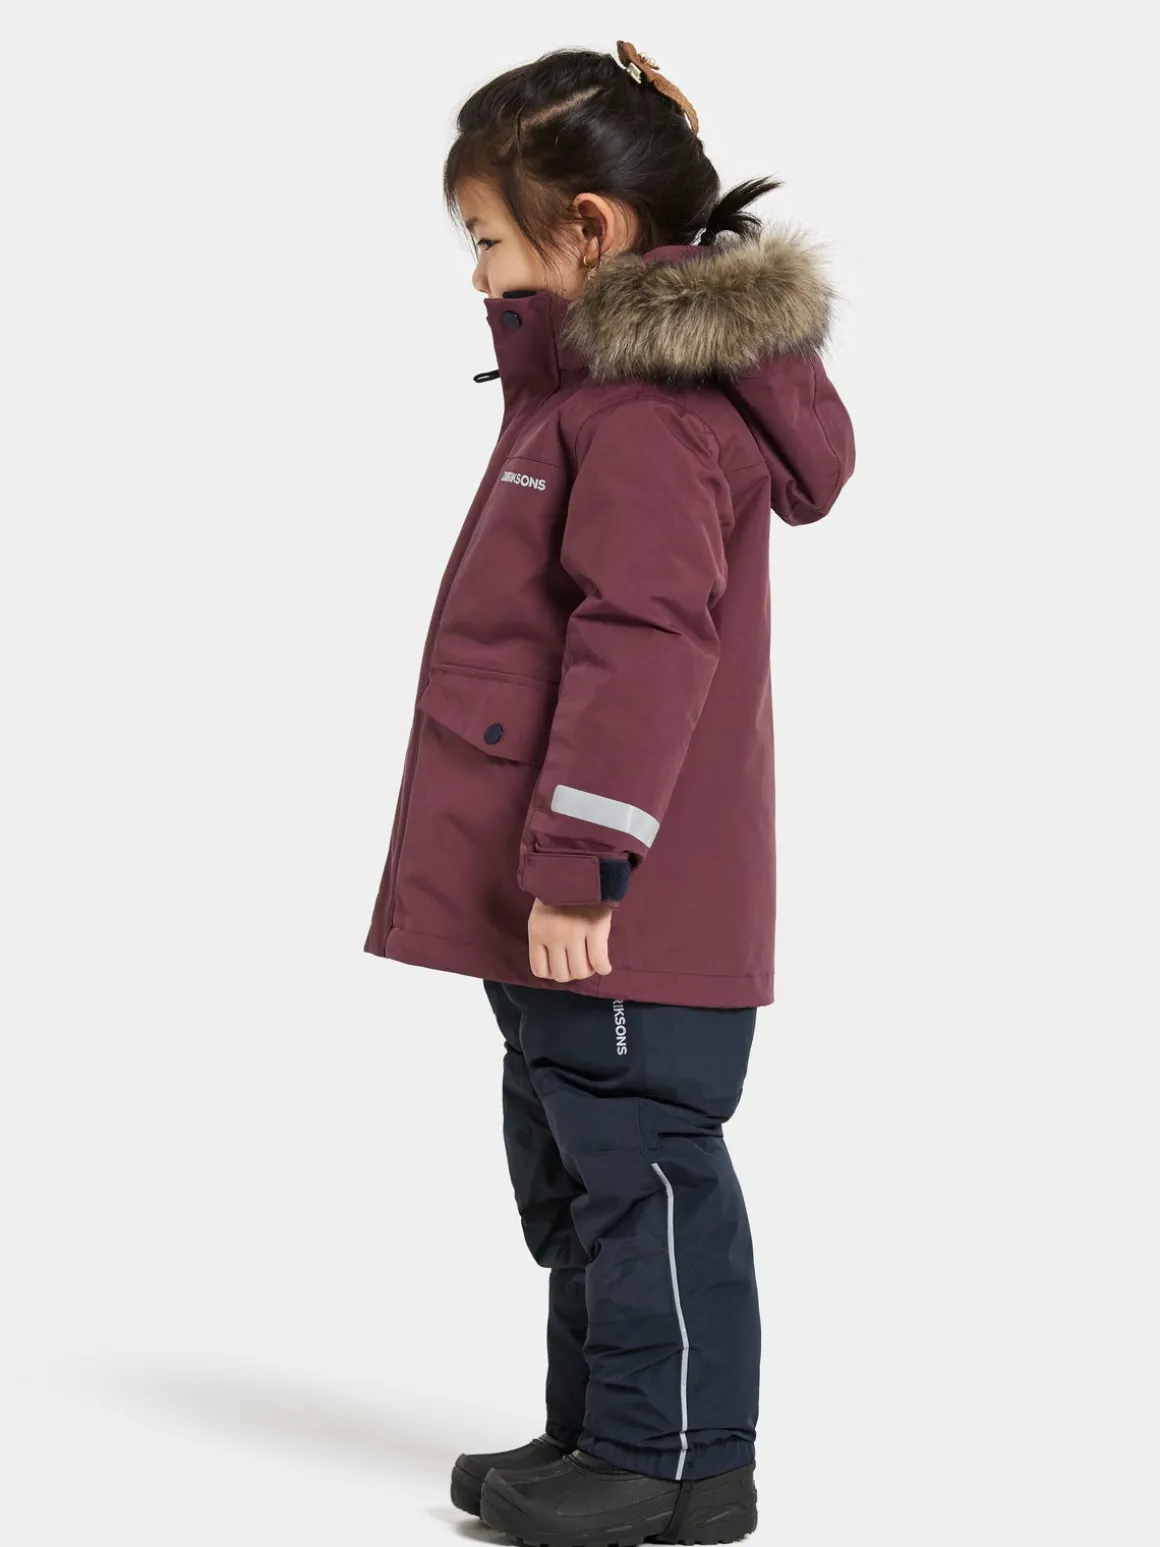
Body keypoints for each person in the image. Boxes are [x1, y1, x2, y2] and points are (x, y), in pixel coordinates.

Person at [362, 40, 855, 1547]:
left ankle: (678, 1462)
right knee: (580, 1150)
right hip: (570, 883)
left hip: (622, 895)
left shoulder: (644, 416)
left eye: (489, 240)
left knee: (638, 1155)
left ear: (589, 229)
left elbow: (642, 642)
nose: (478, 276)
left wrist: (582, 858)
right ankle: (600, 1431)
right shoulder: (586, 400)